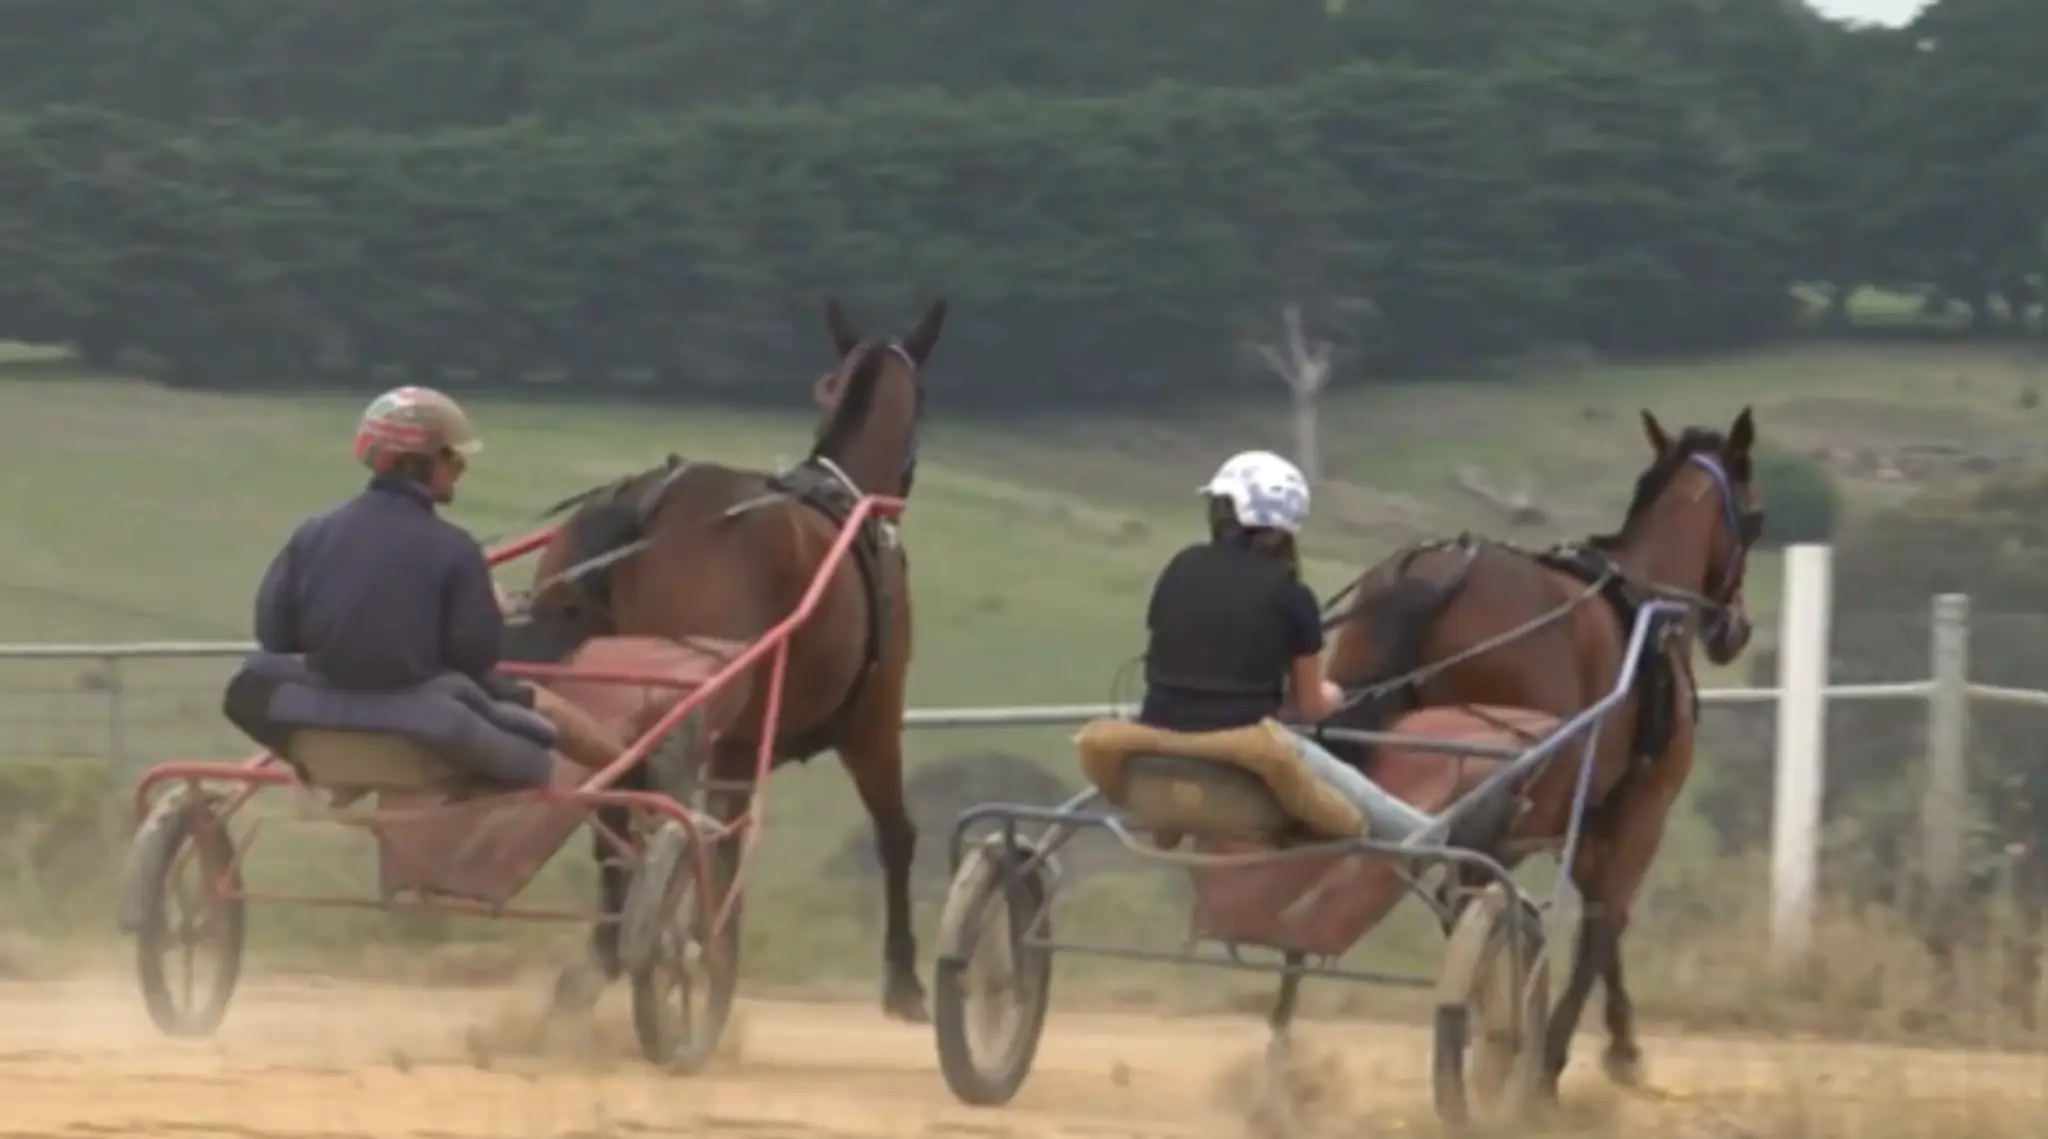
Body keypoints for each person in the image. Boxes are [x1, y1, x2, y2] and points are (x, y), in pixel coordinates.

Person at [248, 386, 619, 778]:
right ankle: (637, 775)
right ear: (425, 463)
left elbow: (273, 634)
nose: (461, 469)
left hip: (321, 710)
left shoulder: (311, 534)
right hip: (425, 721)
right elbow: (475, 657)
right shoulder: (455, 550)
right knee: (543, 708)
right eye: (456, 458)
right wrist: (488, 608)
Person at [1137, 450, 1432, 840]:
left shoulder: (1180, 565)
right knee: (1379, 808)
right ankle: (1447, 843)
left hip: (1159, 727)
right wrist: (1335, 694)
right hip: (1244, 741)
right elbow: (1310, 706)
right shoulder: (1291, 595)